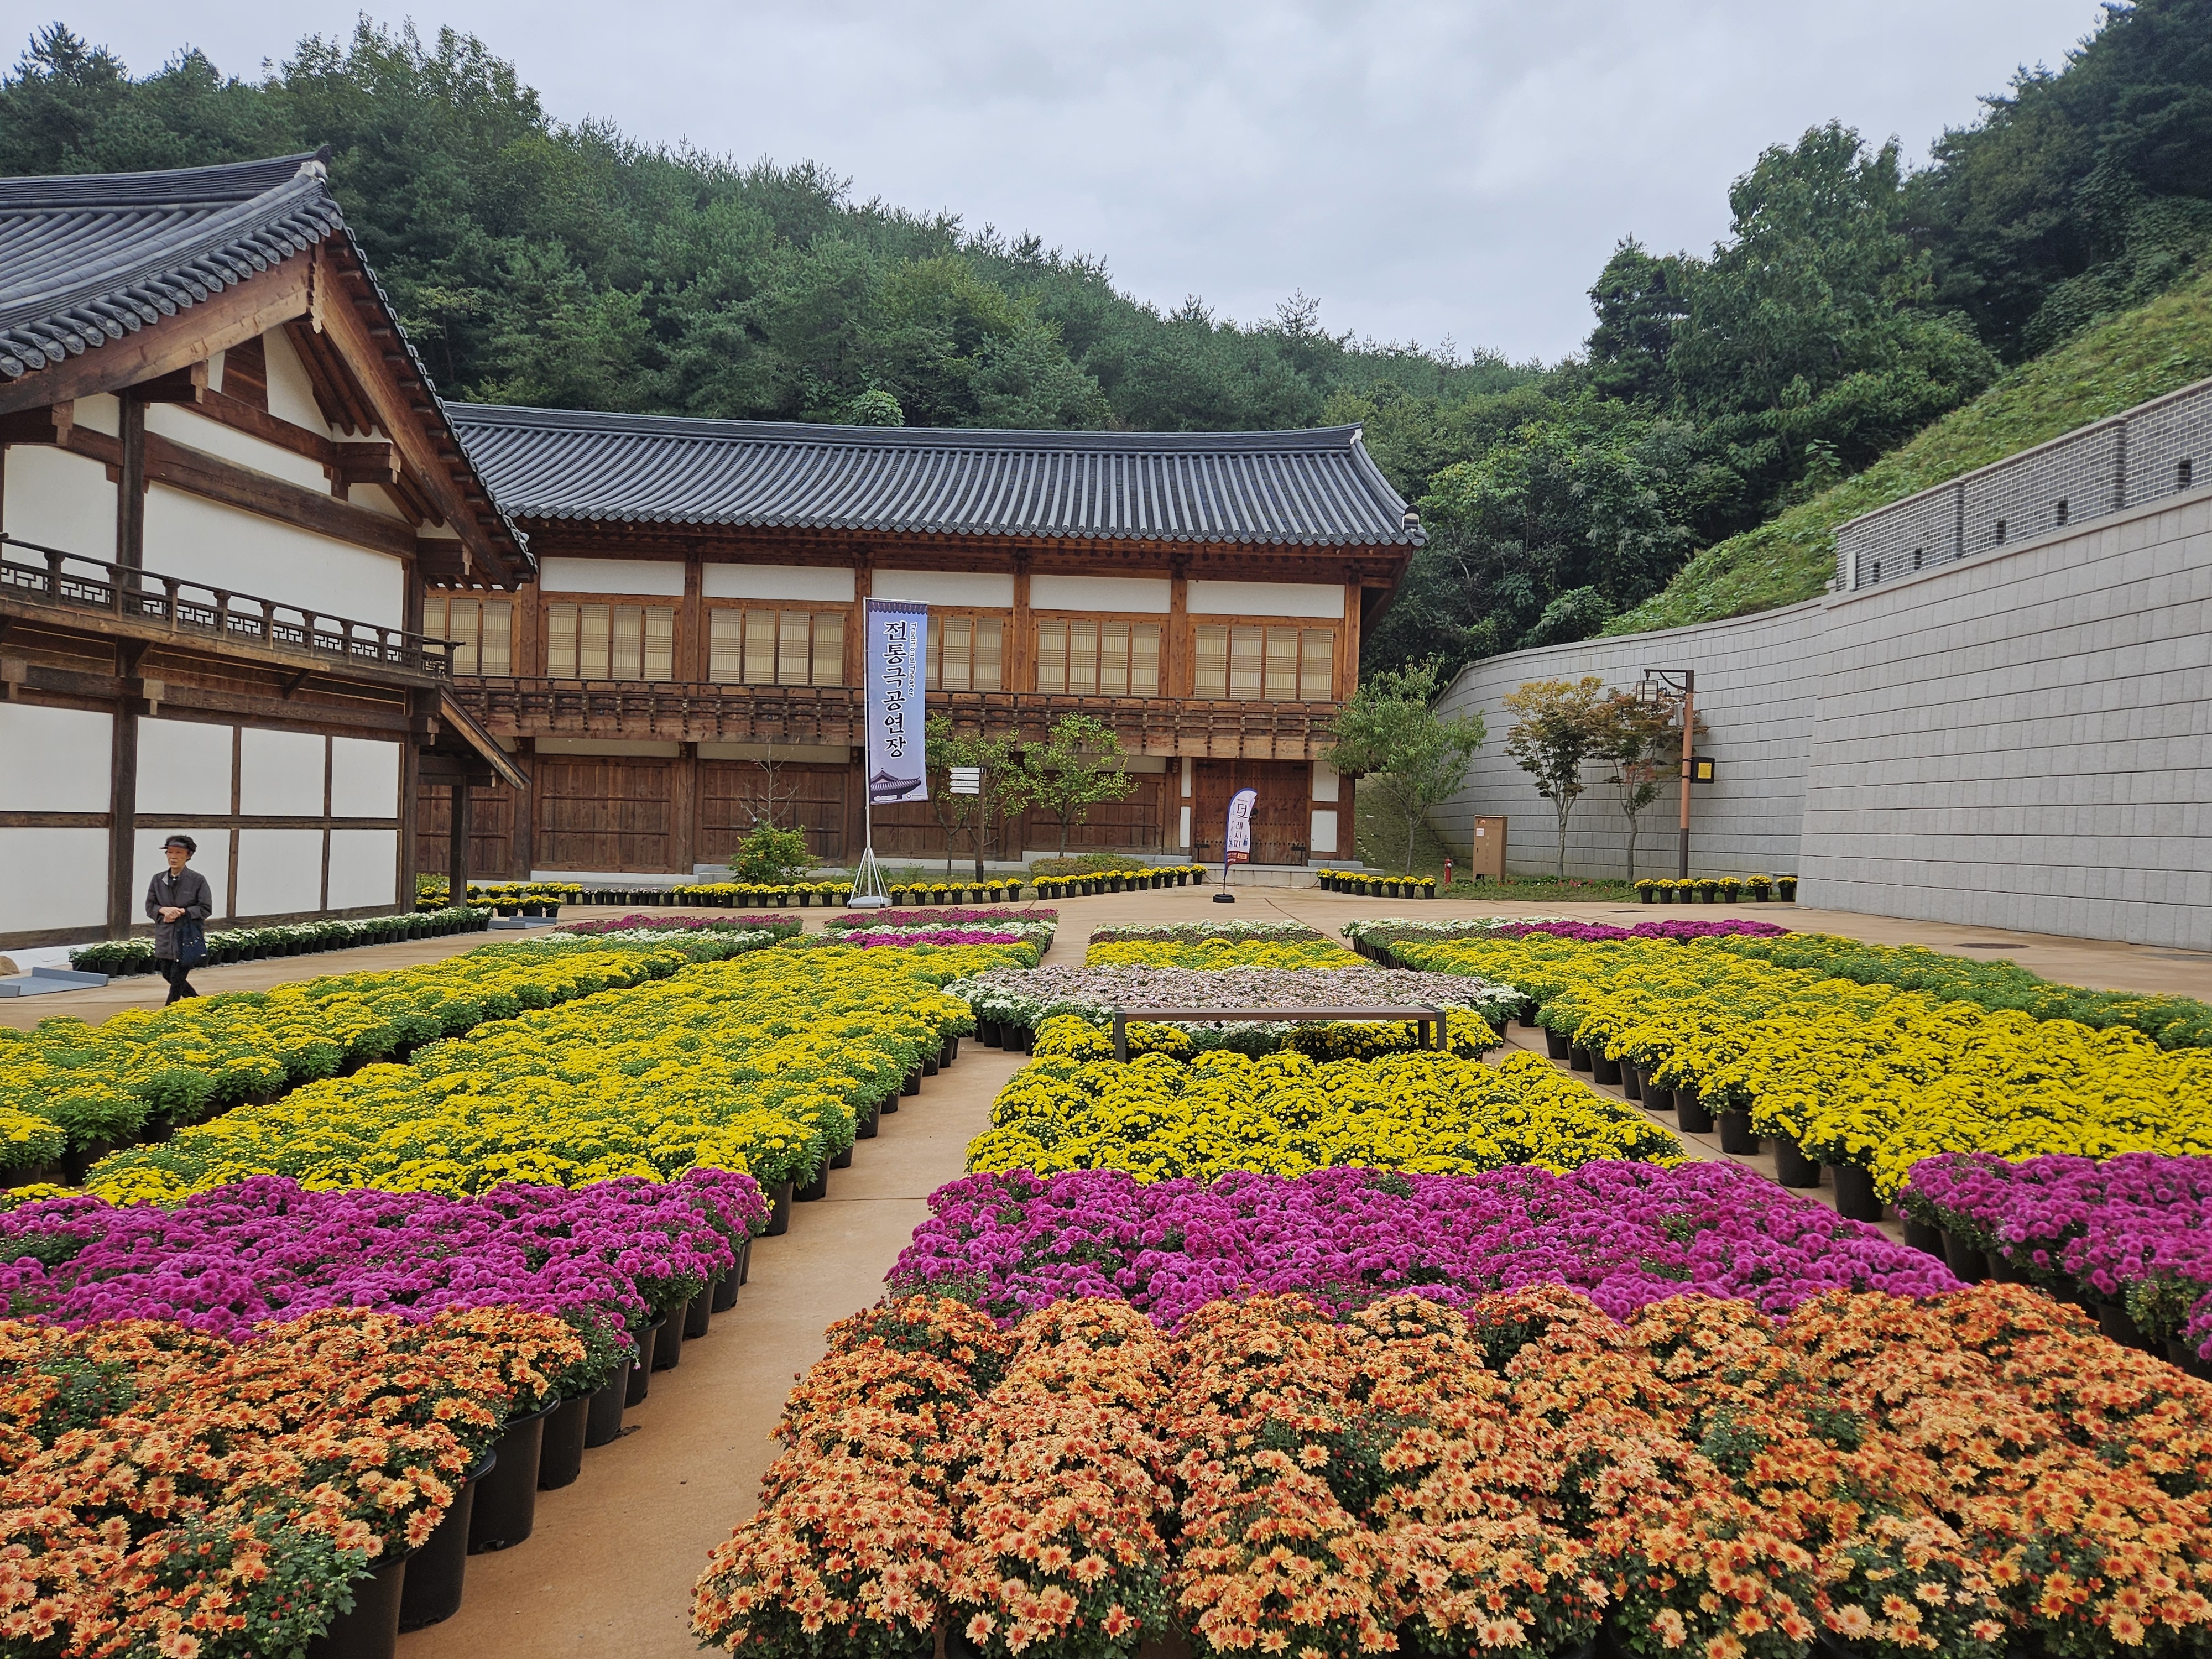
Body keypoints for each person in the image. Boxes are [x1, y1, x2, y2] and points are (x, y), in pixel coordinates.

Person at [146, 834, 214, 1005]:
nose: (173, 857)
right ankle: (198, 1003)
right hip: (165, 935)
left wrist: (181, 912)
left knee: (177, 977)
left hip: (187, 936)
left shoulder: (198, 880)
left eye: (179, 853)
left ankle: (169, 1011)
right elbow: (150, 906)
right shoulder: (158, 879)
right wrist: (163, 910)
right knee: (167, 974)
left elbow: (205, 908)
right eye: (170, 852)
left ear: (188, 856)